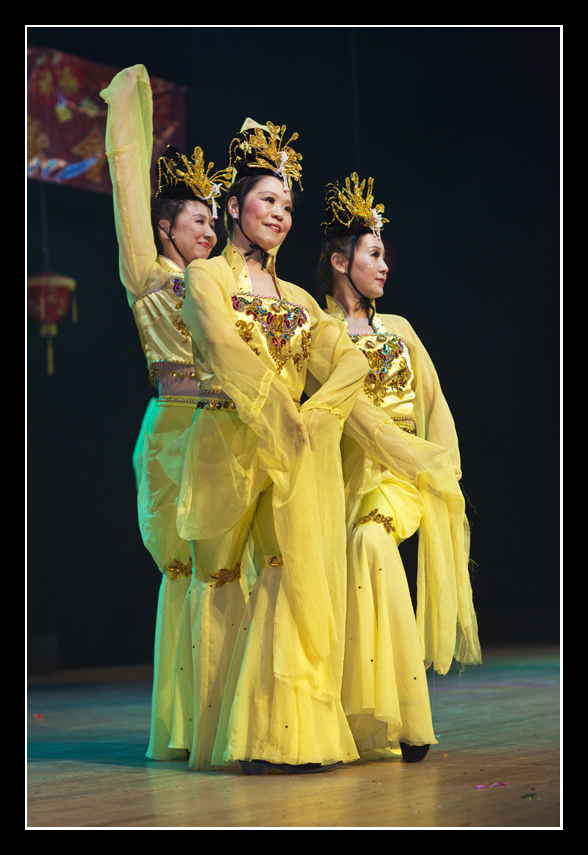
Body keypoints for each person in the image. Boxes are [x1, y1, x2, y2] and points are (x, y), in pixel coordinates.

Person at [161, 122, 369, 773]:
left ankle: (282, 734)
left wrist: (314, 412)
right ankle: (220, 729)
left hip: (292, 452)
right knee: (221, 583)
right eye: (266, 201)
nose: (279, 213)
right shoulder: (205, 279)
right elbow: (220, 351)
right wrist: (279, 409)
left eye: (286, 204)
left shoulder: (303, 300)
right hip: (227, 441)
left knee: (289, 580)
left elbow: (351, 364)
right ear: (233, 207)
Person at [315, 174, 482, 763]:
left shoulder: (402, 331)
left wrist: (436, 472)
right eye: (373, 254)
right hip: (341, 478)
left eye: (384, 255)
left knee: (371, 542)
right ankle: (357, 717)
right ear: (340, 260)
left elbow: (434, 408)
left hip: (398, 480)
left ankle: (409, 719)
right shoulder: (322, 334)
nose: (385, 266)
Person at [100, 64, 232, 761]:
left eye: (214, 219)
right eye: (197, 220)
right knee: (184, 575)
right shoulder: (151, 276)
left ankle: (223, 720)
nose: (208, 230)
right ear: (165, 228)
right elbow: (127, 185)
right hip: (175, 433)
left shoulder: (221, 282)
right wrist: (131, 108)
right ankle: (185, 726)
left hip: (223, 433)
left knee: (223, 576)